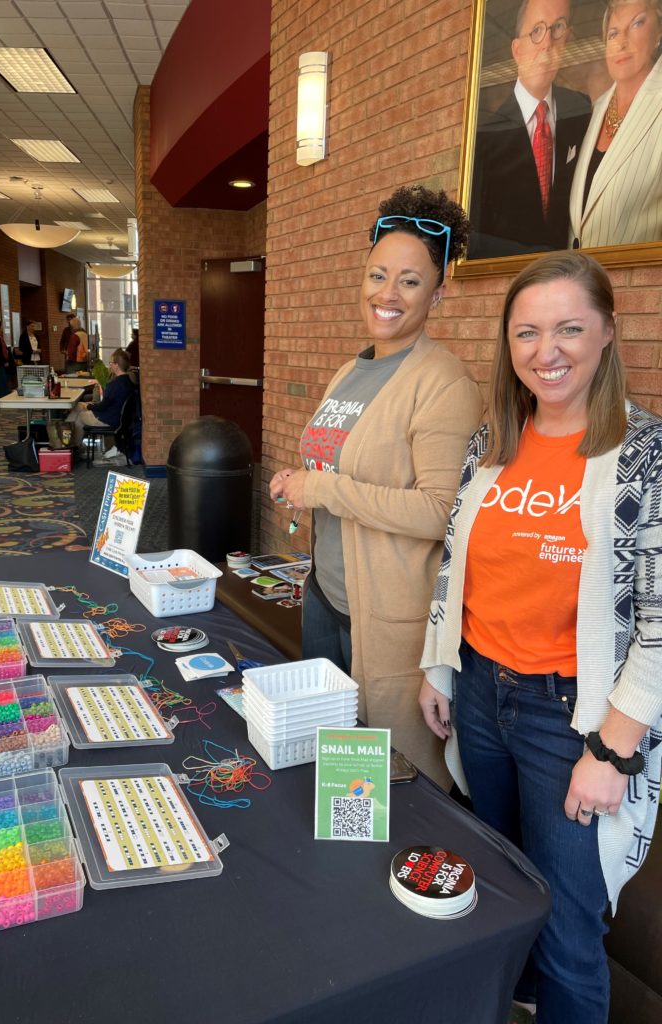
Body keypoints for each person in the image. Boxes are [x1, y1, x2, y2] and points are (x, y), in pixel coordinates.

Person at [419, 251, 662, 1024]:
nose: (545, 351)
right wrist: (440, 668)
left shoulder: (644, 454)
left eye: (567, 329)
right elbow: (457, 565)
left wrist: (613, 750)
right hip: (484, 694)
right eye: (526, 332)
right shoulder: (495, 440)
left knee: (567, 930)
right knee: (499, 893)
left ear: (607, 334)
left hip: (575, 721)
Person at [269, 185, 483, 785]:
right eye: (377, 275)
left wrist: (323, 490)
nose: (387, 294)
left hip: (388, 618)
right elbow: (339, 464)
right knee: (339, 772)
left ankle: (388, 880)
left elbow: (442, 512)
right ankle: (338, 879)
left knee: (397, 780)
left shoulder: (443, 383)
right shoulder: (352, 368)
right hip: (326, 598)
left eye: (410, 281)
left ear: (438, 294)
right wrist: (301, 480)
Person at [468, 0, 591, 258]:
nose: (547, 43)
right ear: (517, 49)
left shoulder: (580, 110)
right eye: (536, 31)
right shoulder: (485, 133)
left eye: (557, 28)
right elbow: (476, 236)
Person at [570, 0, 662, 247]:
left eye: (637, 23)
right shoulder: (598, 107)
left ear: (658, 33)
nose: (621, 42)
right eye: (613, 33)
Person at [67, 348, 135, 453]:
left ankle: (70, 445)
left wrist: (89, 406)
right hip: (119, 418)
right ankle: (69, 440)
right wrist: (91, 405)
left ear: (116, 365)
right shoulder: (128, 382)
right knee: (79, 406)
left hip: (108, 419)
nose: (110, 365)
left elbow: (103, 406)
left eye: (111, 363)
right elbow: (109, 403)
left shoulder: (114, 385)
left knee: (80, 415)